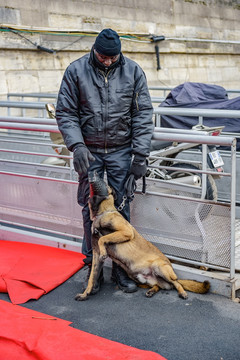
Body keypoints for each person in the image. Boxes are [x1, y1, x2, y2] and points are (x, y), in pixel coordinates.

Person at [56, 28, 154, 294]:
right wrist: (76, 146)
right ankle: (92, 268)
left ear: (119, 53)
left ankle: (120, 272)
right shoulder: (76, 71)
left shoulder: (133, 72)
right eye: (103, 57)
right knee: (91, 212)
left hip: (121, 151)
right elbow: (66, 113)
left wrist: (140, 155)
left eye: (113, 57)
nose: (108, 61)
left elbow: (143, 115)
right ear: (95, 51)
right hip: (90, 151)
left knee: (122, 211)